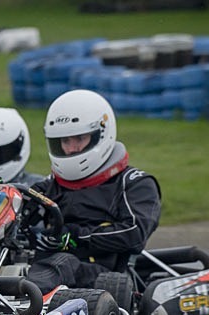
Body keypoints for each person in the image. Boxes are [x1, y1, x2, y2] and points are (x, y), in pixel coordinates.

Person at [25, 89, 162, 294]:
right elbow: (23, 207)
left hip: (102, 273)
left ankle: (20, 304)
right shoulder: (50, 185)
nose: (71, 149)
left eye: (79, 139)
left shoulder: (134, 183)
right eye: (64, 141)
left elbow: (134, 233)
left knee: (62, 263)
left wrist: (76, 237)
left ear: (102, 133)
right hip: (46, 268)